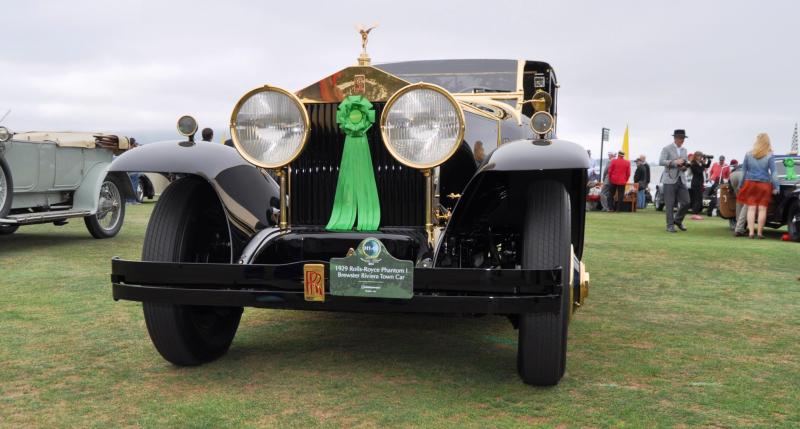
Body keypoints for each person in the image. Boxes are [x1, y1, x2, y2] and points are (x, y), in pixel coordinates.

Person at [738, 133, 779, 238]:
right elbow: (774, 173)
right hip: (764, 184)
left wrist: (741, 184)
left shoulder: (748, 154)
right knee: (762, 209)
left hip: (750, 183)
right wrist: (776, 186)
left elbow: (743, 171)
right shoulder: (770, 155)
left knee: (751, 208)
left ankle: (751, 232)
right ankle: (760, 233)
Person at [659, 129, 691, 233]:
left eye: (683, 138)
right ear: (675, 138)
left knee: (686, 202)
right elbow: (661, 161)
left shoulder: (684, 150)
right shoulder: (666, 148)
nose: (682, 140)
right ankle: (670, 225)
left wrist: (685, 166)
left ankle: (677, 220)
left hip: (681, 179)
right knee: (670, 204)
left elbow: (683, 164)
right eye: (681, 138)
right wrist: (674, 162)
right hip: (669, 179)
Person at [728, 159, 747, 236]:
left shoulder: (735, 168)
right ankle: (740, 227)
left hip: (733, 175)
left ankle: (737, 225)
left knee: (739, 201)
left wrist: (730, 189)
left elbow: (729, 183)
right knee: (746, 203)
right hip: (742, 175)